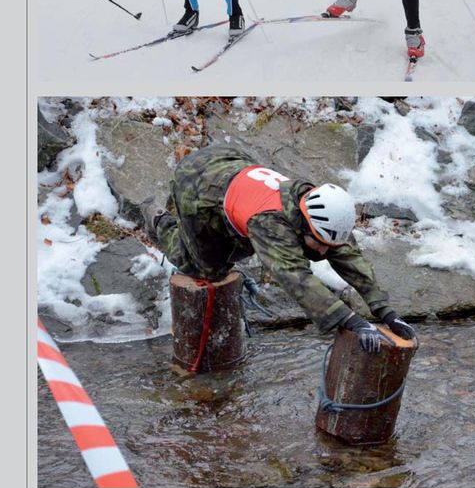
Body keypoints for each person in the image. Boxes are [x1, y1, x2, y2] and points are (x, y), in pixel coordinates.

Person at [148, 145, 416, 347]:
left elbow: (348, 256)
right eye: (319, 245)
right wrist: (351, 320)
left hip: (230, 161)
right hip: (197, 182)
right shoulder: (270, 224)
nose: (323, 253)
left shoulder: (319, 209)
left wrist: (385, 312)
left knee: (241, 245)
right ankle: (159, 220)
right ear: (304, 225)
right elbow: (294, 277)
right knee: (208, 269)